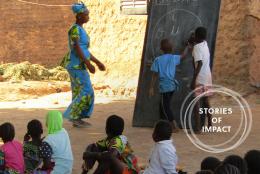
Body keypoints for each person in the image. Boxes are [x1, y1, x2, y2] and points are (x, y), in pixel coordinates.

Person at [63, 2, 106, 128]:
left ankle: (77, 118)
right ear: (80, 15)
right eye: (86, 14)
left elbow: (85, 50)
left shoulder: (80, 29)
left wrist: (97, 62)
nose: (88, 17)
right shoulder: (75, 29)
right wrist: (88, 64)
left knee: (78, 91)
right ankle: (73, 116)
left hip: (78, 65)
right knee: (87, 90)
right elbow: (77, 48)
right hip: (76, 65)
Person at [149, 39, 191, 132]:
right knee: (162, 105)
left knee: (165, 106)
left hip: (165, 87)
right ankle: (161, 124)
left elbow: (154, 75)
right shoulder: (173, 58)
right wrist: (187, 47)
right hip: (172, 86)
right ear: (171, 49)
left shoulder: (158, 60)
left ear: (161, 49)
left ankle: (174, 126)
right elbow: (183, 56)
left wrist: (151, 87)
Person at [191, 27, 213, 132]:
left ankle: (198, 127)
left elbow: (199, 63)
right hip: (207, 76)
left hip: (200, 78)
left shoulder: (197, 48)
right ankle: (210, 123)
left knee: (196, 102)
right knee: (206, 100)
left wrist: (193, 80)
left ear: (196, 36)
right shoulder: (205, 44)